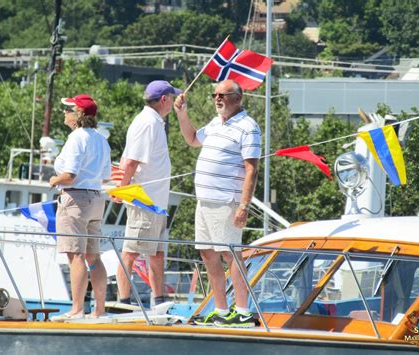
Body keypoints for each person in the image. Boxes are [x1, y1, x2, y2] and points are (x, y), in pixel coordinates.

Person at [174, 79, 261, 327]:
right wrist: (182, 113)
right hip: (205, 201)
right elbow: (192, 139)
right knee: (208, 253)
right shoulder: (215, 123)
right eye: (214, 95)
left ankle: (243, 311)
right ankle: (222, 310)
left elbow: (251, 169)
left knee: (230, 253)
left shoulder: (248, 126)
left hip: (226, 201)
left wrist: (244, 206)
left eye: (222, 94)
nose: (217, 99)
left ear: (238, 98)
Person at [115, 80, 182, 307]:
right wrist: (122, 190)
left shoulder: (153, 122)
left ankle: (159, 301)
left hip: (155, 202)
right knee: (131, 252)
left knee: (156, 253)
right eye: (172, 98)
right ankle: (123, 302)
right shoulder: (148, 123)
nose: (173, 102)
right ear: (164, 100)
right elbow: (131, 161)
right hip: (144, 200)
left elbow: (127, 158)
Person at [50, 94, 111, 321]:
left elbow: (70, 175)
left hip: (75, 201)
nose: (64, 112)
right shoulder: (101, 139)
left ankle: (77, 309)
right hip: (95, 200)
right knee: (93, 257)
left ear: (78, 115)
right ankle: (100, 310)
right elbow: (105, 177)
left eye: (68, 109)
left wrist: (54, 181)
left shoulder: (76, 138)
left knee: (75, 256)